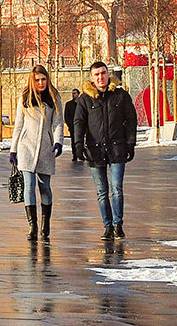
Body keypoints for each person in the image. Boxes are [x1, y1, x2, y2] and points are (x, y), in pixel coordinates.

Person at [75, 60, 137, 241]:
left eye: (103, 73)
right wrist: (78, 144)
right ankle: (107, 226)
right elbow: (79, 122)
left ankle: (118, 224)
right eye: (96, 74)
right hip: (95, 150)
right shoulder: (85, 99)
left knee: (117, 188)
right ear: (91, 77)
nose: (100, 77)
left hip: (117, 147)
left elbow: (131, 119)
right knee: (101, 192)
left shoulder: (120, 95)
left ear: (108, 74)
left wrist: (130, 143)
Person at [8, 64, 65, 241]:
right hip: (26, 147)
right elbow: (18, 125)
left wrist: (58, 142)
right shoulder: (25, 97)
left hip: (46, 148)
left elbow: (58, 123)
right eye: (37, 80)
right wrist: (13, 149)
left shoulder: (54, 97)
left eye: (43, 79)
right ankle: (32, 225)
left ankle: (45, 223)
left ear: (47, 79)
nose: (41, 83)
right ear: (32, 81)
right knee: (29, 185)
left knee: (44, 186)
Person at [63, 89, 83, 161]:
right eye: (72, 93)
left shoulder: (81, 104)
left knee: (80, 141)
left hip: (81, 126)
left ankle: (80, 154)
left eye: (74, 93)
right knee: (73, 141)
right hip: (72, 126)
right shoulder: (69, 104)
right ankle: (75, 155)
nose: (73, 95)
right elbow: (66, 116)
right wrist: (69, 125)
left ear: (78, 94)